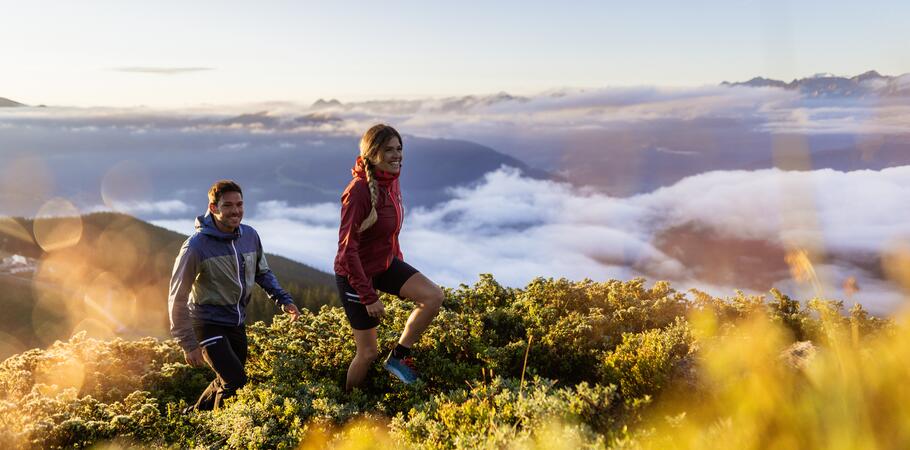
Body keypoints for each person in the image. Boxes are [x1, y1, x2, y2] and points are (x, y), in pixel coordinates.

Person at [168, 180, 301, 411]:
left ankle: (192, 415)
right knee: (236, 381)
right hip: (207, 323)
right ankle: (220, 432)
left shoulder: (249, 235)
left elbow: (262, 272)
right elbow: (177, 296)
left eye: (239, 204)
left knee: (226, 379)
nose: (236, 211)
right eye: (228, 205)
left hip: (236, 322)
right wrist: (188, 343)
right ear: (213, 208)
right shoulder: (195, 247)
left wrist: (283, 299)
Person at [334, 124, 443, 389]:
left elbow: (388, 231)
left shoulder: (390, 180)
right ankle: (347, 404)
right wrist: (368, 295)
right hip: (355, 274)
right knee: (368, 353)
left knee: (433, 296)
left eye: (399, 149)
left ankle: (399, 356)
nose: (397, 156)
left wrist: (399, 264)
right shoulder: (359, 191)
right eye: (388, 150)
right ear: (372, 154)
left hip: (384, 263)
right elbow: (348, 251)